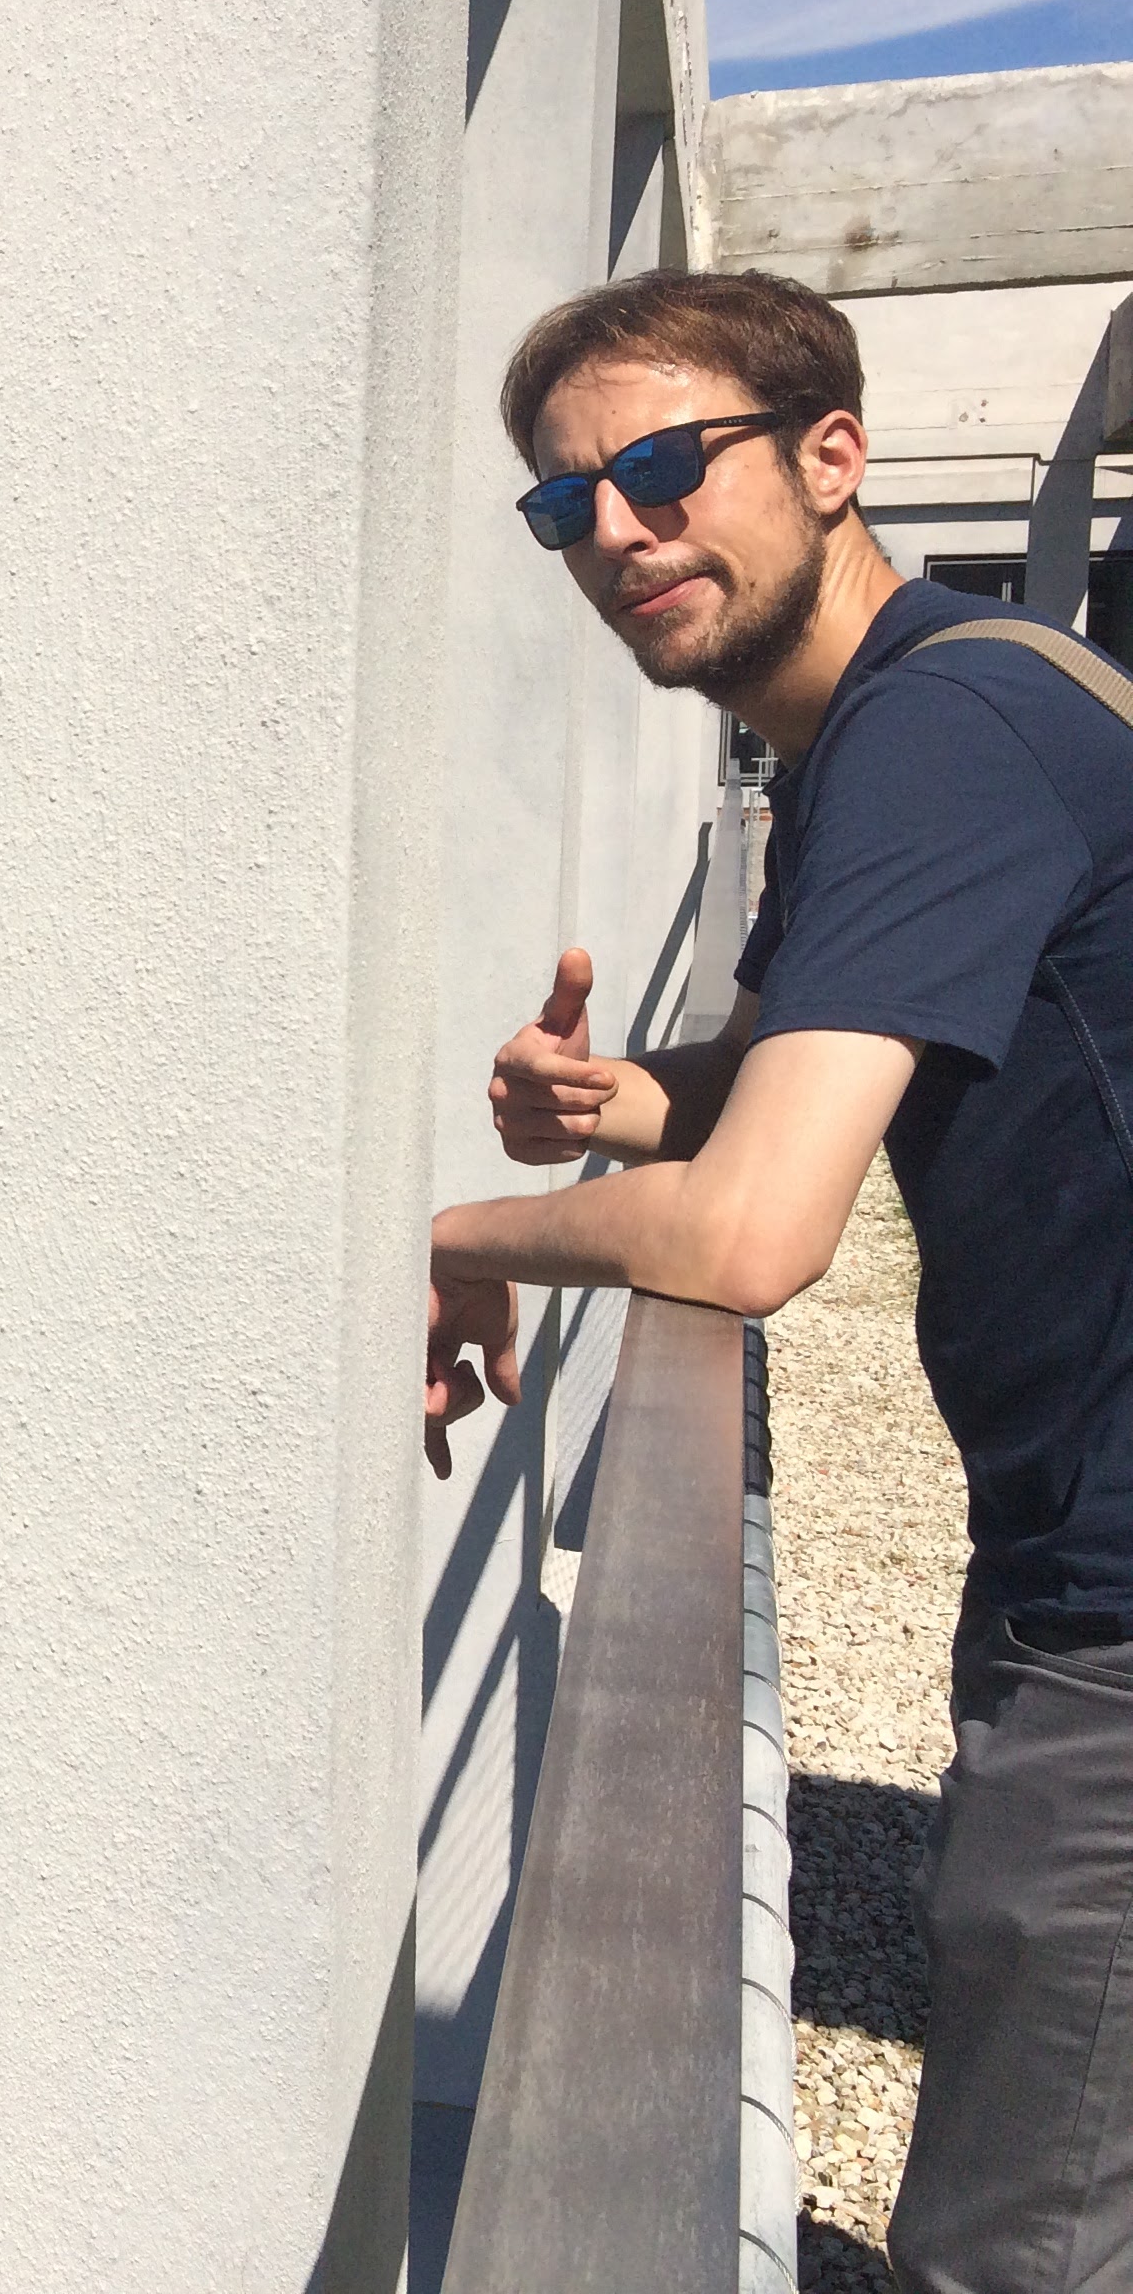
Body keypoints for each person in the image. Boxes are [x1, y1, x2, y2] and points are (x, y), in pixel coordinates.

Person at [426, 267, 1133, 2291]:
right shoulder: (923, 714)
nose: (618, 535)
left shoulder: (938, 731)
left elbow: (752, 1236)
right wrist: (631, 1096)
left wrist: (462, 1243)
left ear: (835, 456)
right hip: (1075, 1537)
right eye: (570, 508)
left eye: (662, 467)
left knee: (1024, 2240)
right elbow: (833, 1052)